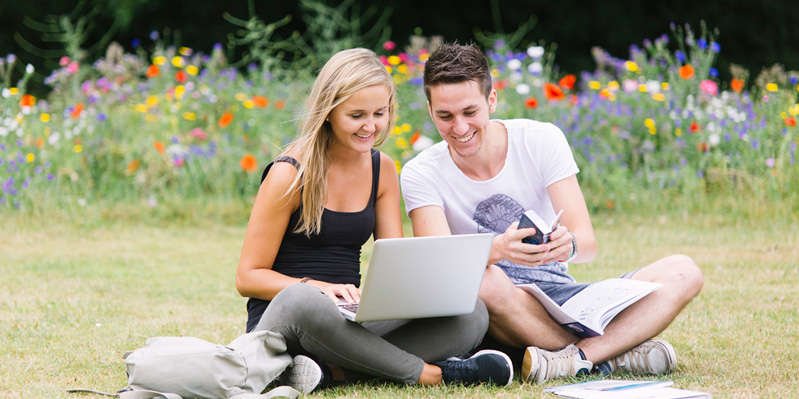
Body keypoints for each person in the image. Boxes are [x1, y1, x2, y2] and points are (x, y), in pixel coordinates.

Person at [399, 43, 705, 384]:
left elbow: (588, 244)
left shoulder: (540, 139)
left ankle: (580, 358)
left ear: (492, 100)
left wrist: (569, 245)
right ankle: (614, 352)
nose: (459, 128)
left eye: (470, 112)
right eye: (445, 116)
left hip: (564, 298)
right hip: (496, 308)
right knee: (484, 281)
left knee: (684, 271)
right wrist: (498, 250)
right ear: (429, 110)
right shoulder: (421, 172)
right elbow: (438, 266)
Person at [235, 48, 513, 393]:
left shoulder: (383, 170)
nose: (371, 126)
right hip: (290, 318)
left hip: (349, 320)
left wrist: (411, 293)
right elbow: (248, 278)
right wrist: (319, 289)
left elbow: (392, 267)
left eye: (380, 113)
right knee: (302, 300)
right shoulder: (289, 174)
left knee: (471, 313)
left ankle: (332, 373)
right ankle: (431, 374)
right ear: (329, 112)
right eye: (356, 115)